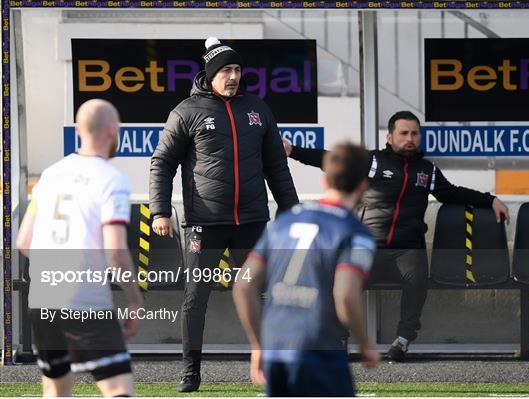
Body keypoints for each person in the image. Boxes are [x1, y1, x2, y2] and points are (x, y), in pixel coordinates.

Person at [283, 111, 510, 362]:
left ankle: (401, 341)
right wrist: (293, 151)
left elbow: (453, 193)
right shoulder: (372, 162)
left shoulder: (427, 171)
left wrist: (490, 200)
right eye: (404, 133)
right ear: (390, 137)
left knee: (417, 280)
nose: (410, 138)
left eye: (414, 133)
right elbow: (332, 160)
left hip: (407, 249)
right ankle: (337, 338)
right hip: (368, 246)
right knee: (342, 281)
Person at [149, 37, 299, 392]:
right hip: (205, 223)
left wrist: (292, 213)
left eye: (237, 70)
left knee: (262, 293)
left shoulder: (258, 109)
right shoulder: (185, 111)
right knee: (195, 296)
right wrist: (160, 211)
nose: (233, 76)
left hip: (252, 222)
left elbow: (277, 167)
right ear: (210, 74)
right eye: (226, 71)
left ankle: (270, 366)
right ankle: (190, 372)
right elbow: (162, 164)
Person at [16, 99, 144, 397]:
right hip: (84, 299)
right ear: (113, 131)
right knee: (119, 390)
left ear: (78, 130)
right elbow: (115, 251)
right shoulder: (113, 180)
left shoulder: (49, 176)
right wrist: (135, 300)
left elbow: (24, 241)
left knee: (56, 390)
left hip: (43, 299)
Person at [233, 142, 380, 397]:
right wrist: (365, 344)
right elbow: (345, 296)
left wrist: (258, 345)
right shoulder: (356, 234)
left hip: (276, 344)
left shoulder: (285, 221)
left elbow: (243, 285)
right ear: (362, 186)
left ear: (325, 182)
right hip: (318, 347)